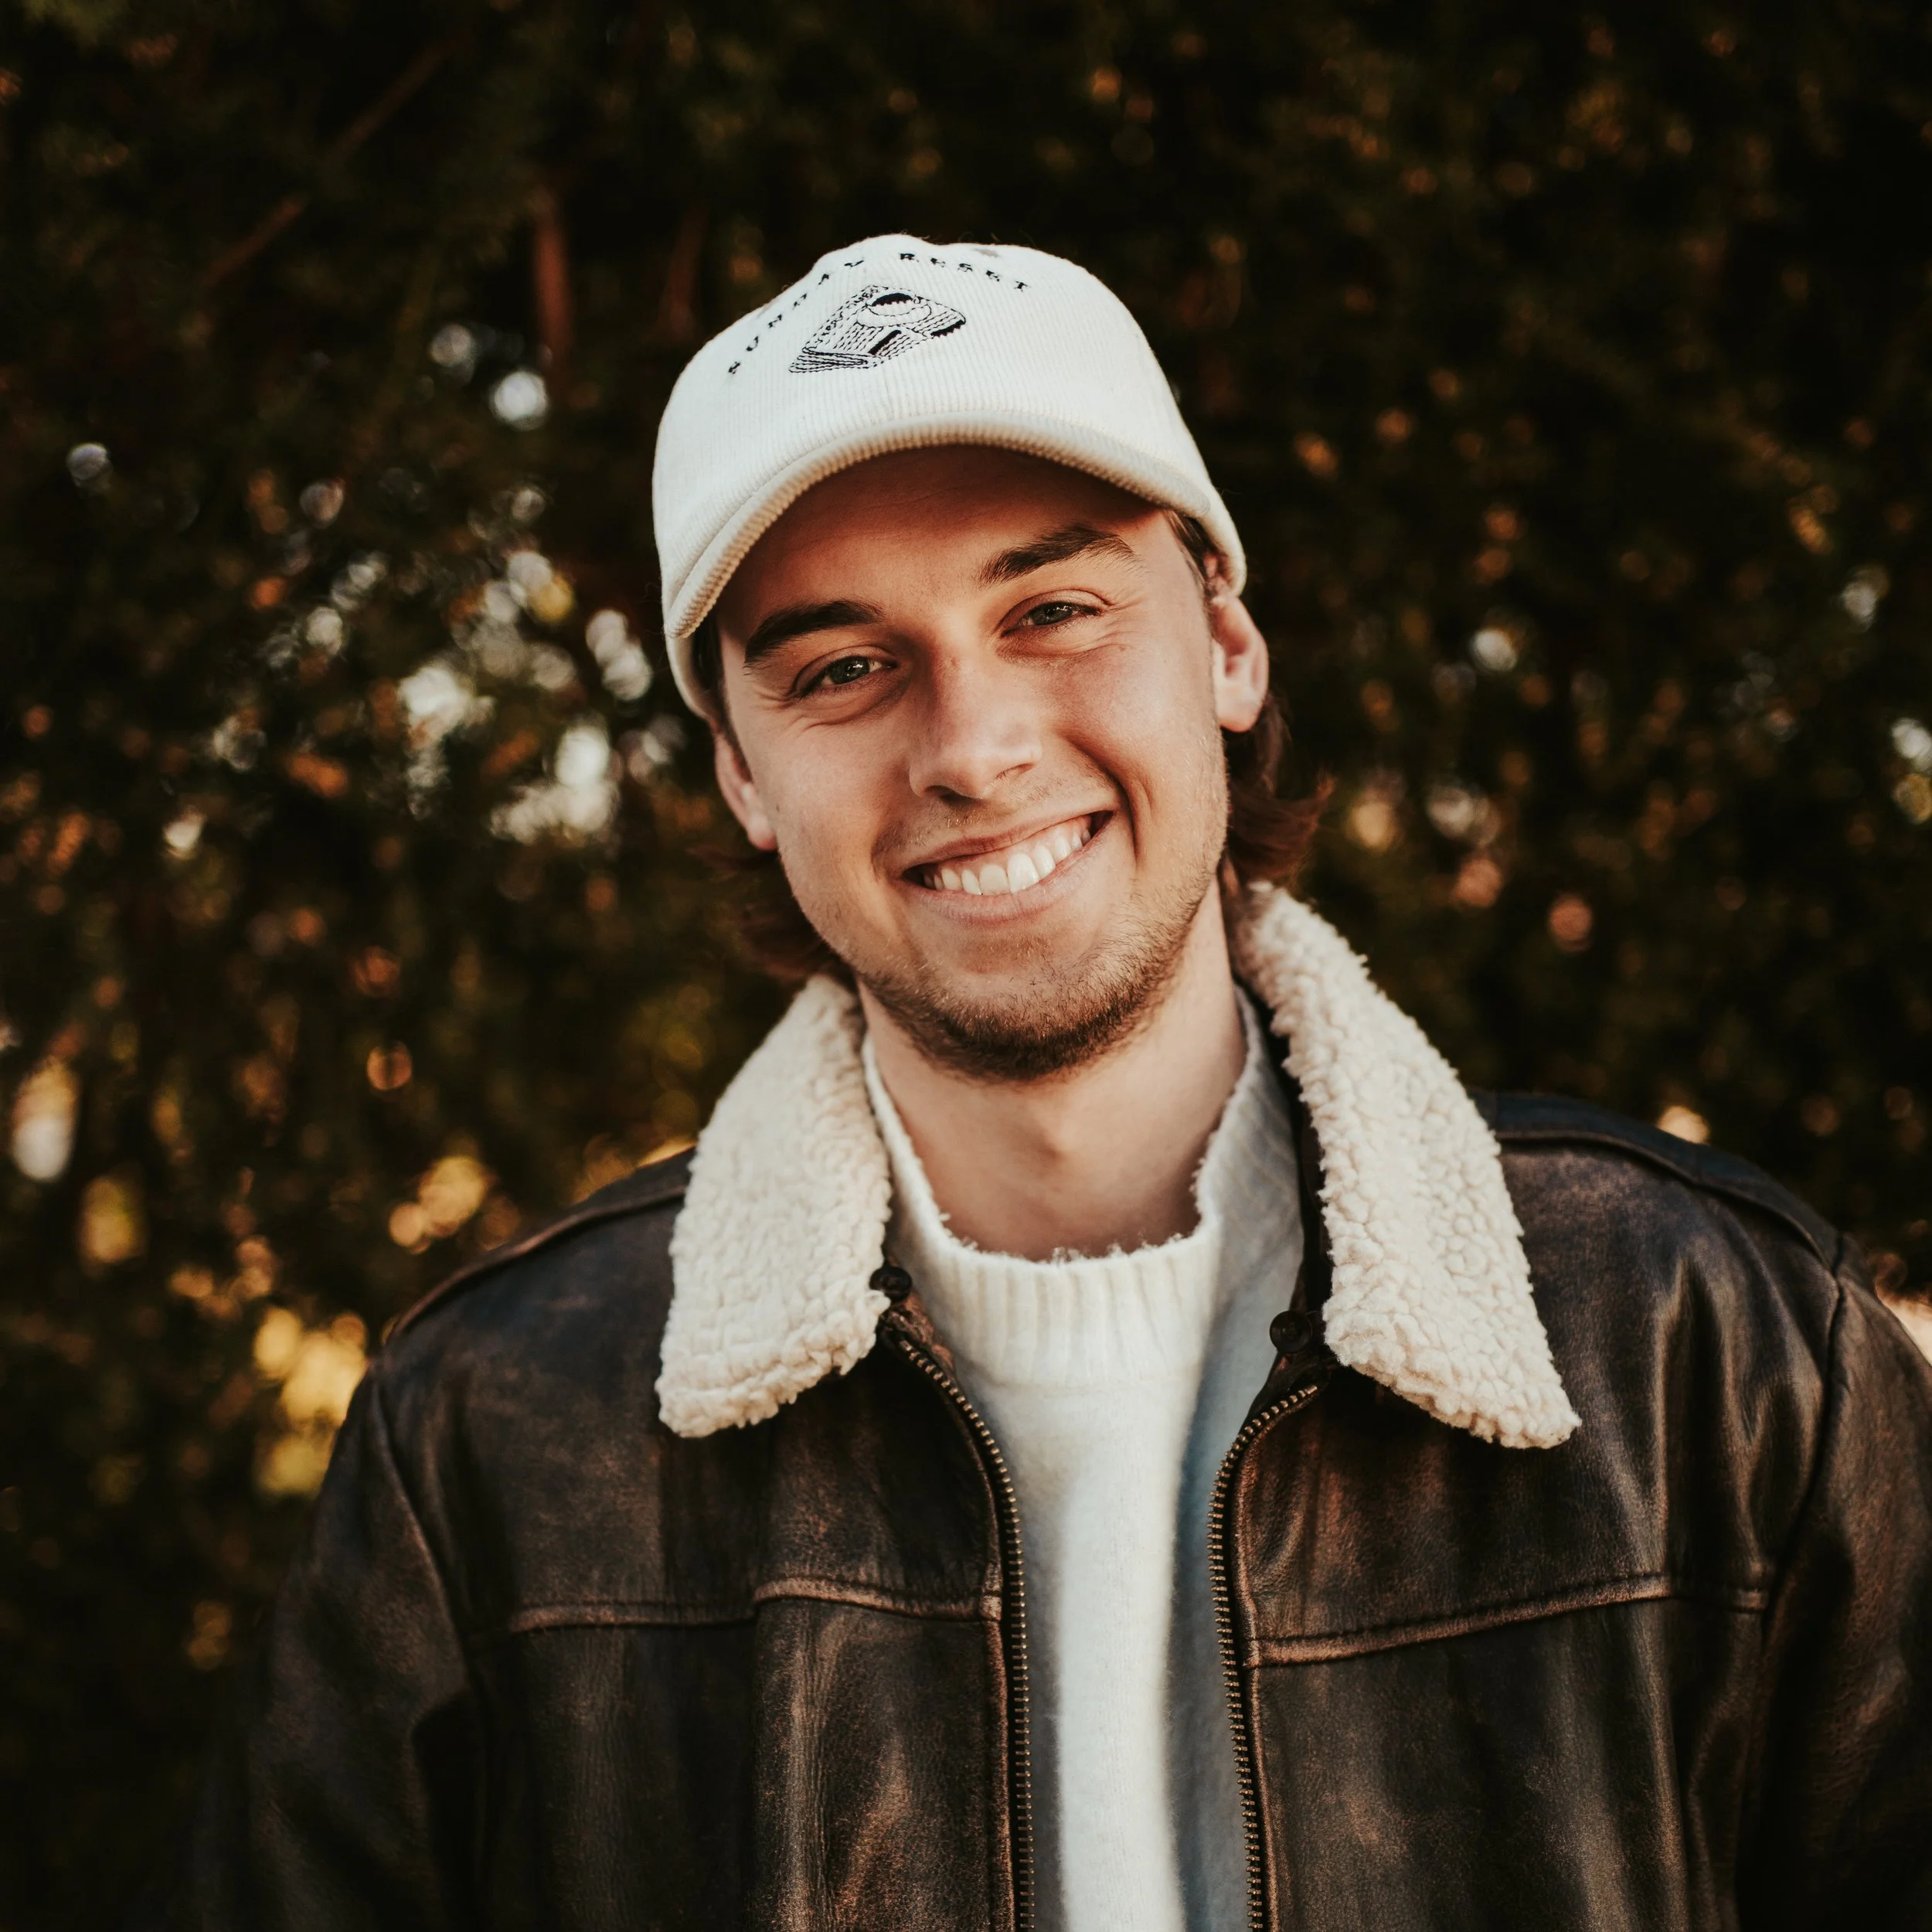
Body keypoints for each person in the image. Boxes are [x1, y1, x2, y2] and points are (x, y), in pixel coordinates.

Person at [169, 237, 1932, 1931]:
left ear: (1225, 643)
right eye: (844, 667)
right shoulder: (485, 1441)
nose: (975, 745)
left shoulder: (1718, 1347)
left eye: (1056, 608)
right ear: (741, 774)